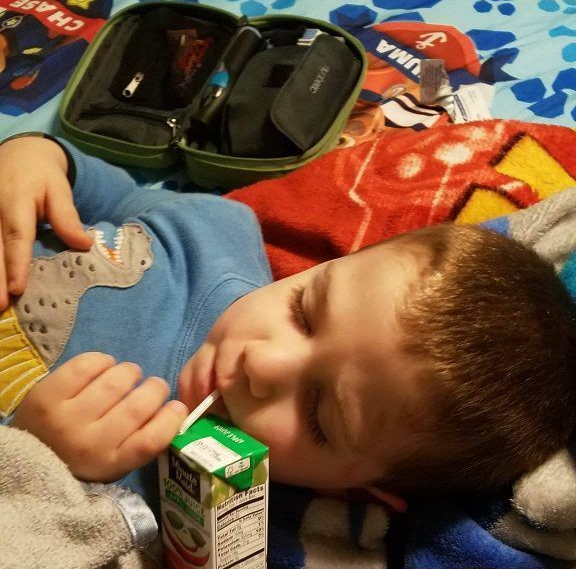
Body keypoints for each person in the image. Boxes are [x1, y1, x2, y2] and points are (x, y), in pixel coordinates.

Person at [1, 132, 575, 516]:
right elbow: (111, 192)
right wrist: (37, 155)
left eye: (318, 415)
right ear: (330, 266)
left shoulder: (176, 504)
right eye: (304, 310)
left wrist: (35, 463)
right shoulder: (219, 229)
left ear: (353, 488)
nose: (263, 364)